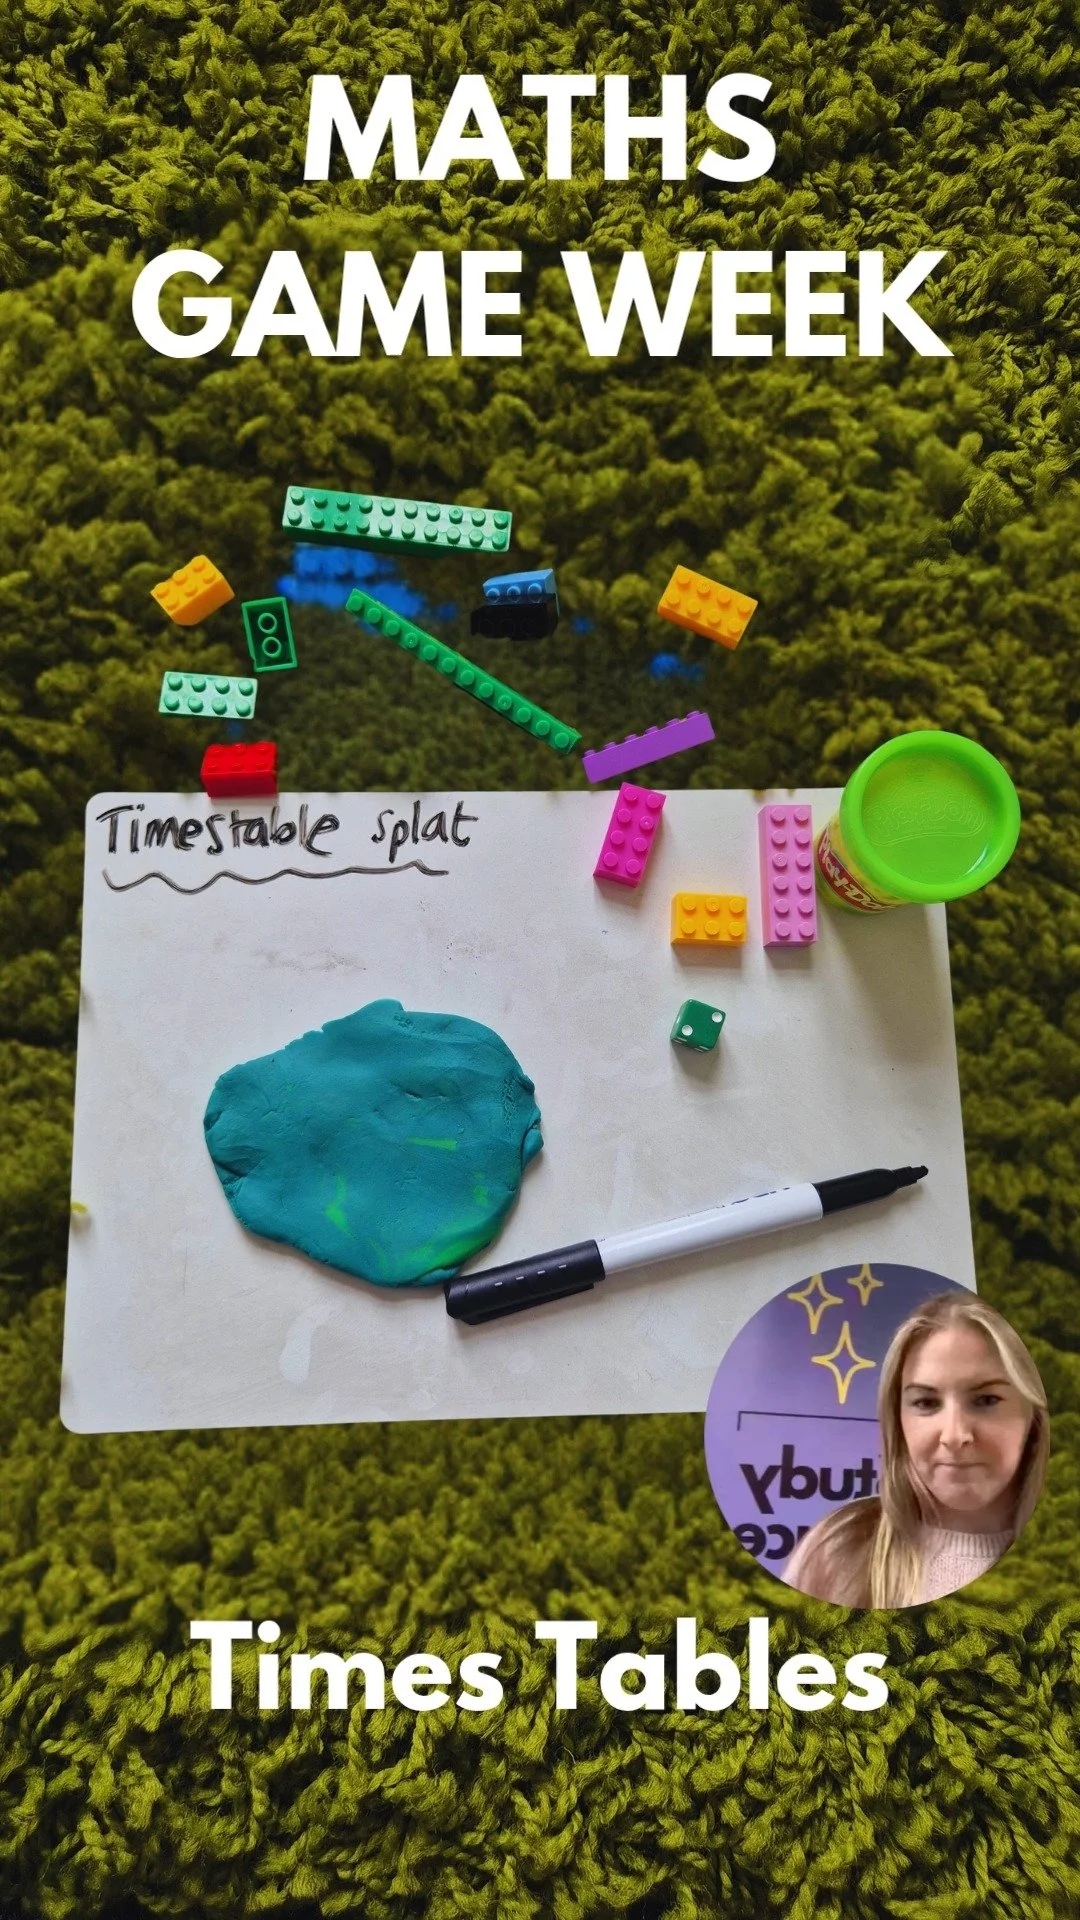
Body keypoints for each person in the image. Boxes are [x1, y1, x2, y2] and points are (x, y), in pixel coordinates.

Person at [783, 1291, 1048, 1607]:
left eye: (986, 1400)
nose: (954, 1435)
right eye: (926, 1403)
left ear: (1034, 1418)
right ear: (898, 1420)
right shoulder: (835, 1550)